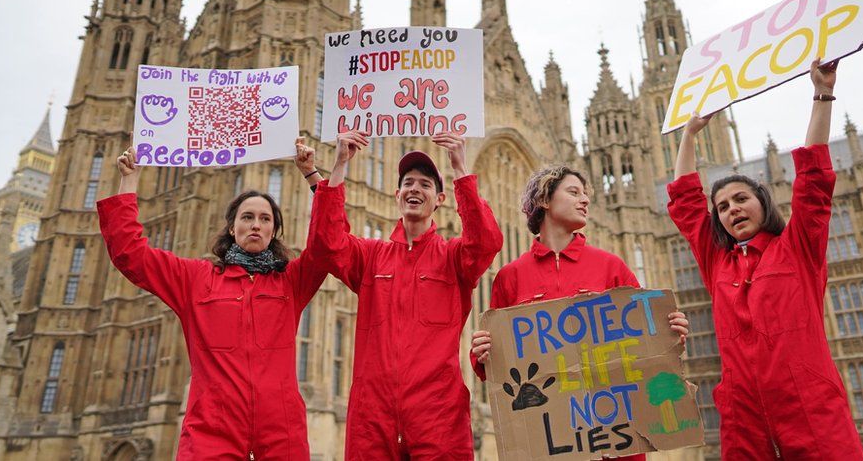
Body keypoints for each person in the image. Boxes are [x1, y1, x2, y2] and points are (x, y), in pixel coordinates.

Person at [667, 58, 863, 459]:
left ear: (763, 202)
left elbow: (813, 181)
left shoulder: (797, 248)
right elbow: (686, 203)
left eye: (741, 199)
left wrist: (822, 93)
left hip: (807, 401)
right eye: (722, 206)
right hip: (743, 409)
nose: (732, 209)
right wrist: (688, 135)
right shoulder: (717, 261)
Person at [98, 138, 328, 460]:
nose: (256, 225)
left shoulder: (290, 282)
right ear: (232, 228)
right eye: (247, 217)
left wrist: (311, 176)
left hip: (282, 436)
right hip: (211, 435)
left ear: (273, 232)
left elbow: (330, 244)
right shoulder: (197, 279)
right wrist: (129, 181)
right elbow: (130, 255)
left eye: (265, 220)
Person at [470, 165, 691, 461]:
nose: (584, 200)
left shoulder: (612, 267)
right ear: (544, 201)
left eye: (585, 195)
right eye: (574, 192)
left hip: (614, 440)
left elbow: (647, 353)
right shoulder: (510, 277)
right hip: (546, 443)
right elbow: (498, 370)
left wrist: (671, 335)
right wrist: (481, 354)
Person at [311, 130, 503, 460]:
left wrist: (460, 169)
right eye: (409, 182)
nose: (415, 188)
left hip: (438, 415)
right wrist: (340, 163)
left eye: (426, 184)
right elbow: (327, 245)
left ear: (440, 200)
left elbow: (485, 242)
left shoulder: (453, 259)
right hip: (373, 416)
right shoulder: (371, 257)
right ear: (397, 194)